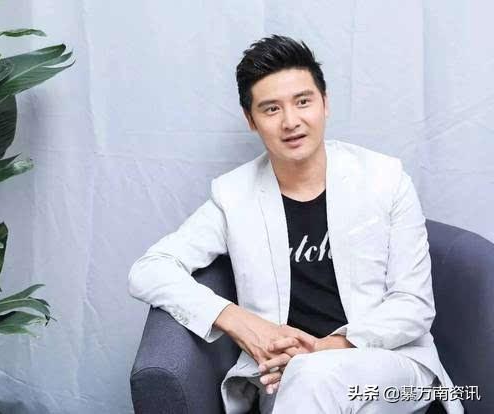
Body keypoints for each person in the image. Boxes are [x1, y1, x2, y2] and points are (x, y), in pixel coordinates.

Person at [128, 35, 463, 414]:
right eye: (271, 109)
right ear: (251, 120)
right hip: (283, 376)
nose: (291, 121)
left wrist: (325, 348)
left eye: (303, 102)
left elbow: (413, 305)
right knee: (307, 380)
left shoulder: (385, 179)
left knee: (313, 375)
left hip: (390, 367)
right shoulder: (234, 196)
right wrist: (238, 321)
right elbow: (149, 270)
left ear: (325, 103)